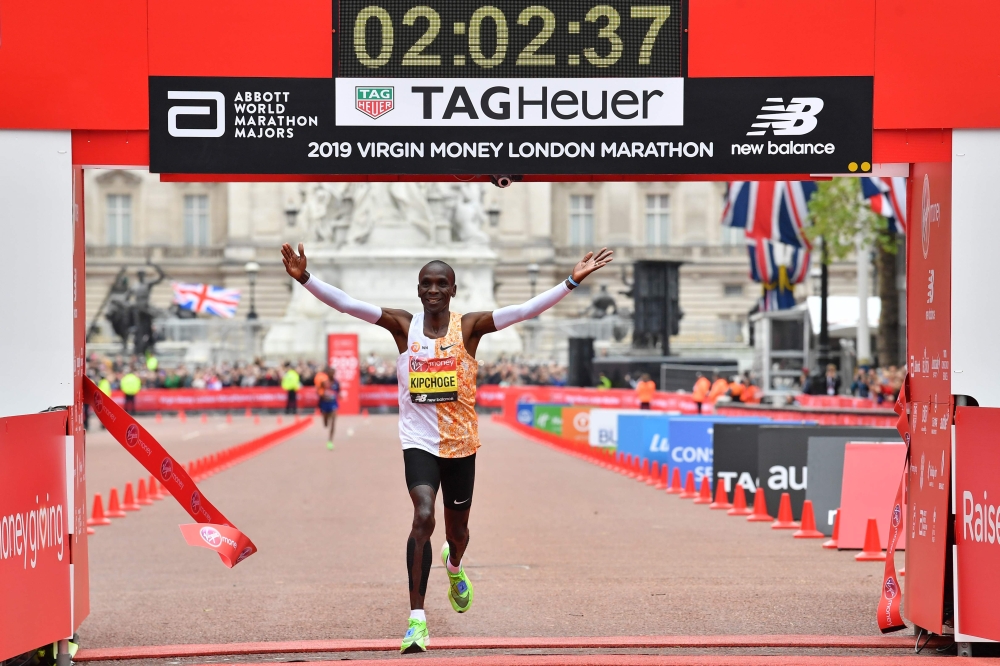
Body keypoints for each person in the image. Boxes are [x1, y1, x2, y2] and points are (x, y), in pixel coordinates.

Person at [281, 242, 613, 653]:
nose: (434, 289)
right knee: (423, 515)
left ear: (453, 290)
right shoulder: (403, 326)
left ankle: (454, 566)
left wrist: (571, 280)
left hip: (461, 445)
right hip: (418, 442)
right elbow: (348, 305)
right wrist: (306, 279)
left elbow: (525, 310)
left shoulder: (470, 327)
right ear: (418, 289)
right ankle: (417, 620)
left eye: (442, 283)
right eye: (427, 283)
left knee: (458, 532)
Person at [314, 367, 340, 450]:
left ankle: (330, 440)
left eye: (333, 373)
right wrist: (323, 396)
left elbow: (338, 391)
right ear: (327, 374)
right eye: (331, 373)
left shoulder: (336, 382)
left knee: (333, 422)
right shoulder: (324, 382)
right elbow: (318, 391)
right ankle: (325, 419)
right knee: (326, 424)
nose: (332, 374)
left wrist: (339, 395)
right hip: (324, 403)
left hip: (333, 403)